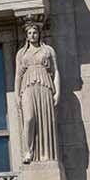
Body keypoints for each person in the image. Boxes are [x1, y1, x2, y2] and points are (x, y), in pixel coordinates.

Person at [16, 22, 59, 163]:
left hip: (44, 84)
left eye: (34, 32)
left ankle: (45, 154)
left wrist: (57, 92)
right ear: (26, 36)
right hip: (27, 85)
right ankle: (28, 152)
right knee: (29, 119)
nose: (32, 35)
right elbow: (18, 75)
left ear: (39, 34)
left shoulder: (48, 50)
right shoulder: (22, 53)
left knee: (44, 119)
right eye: (29, 33)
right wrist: (17, 95)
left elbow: (56, 71)